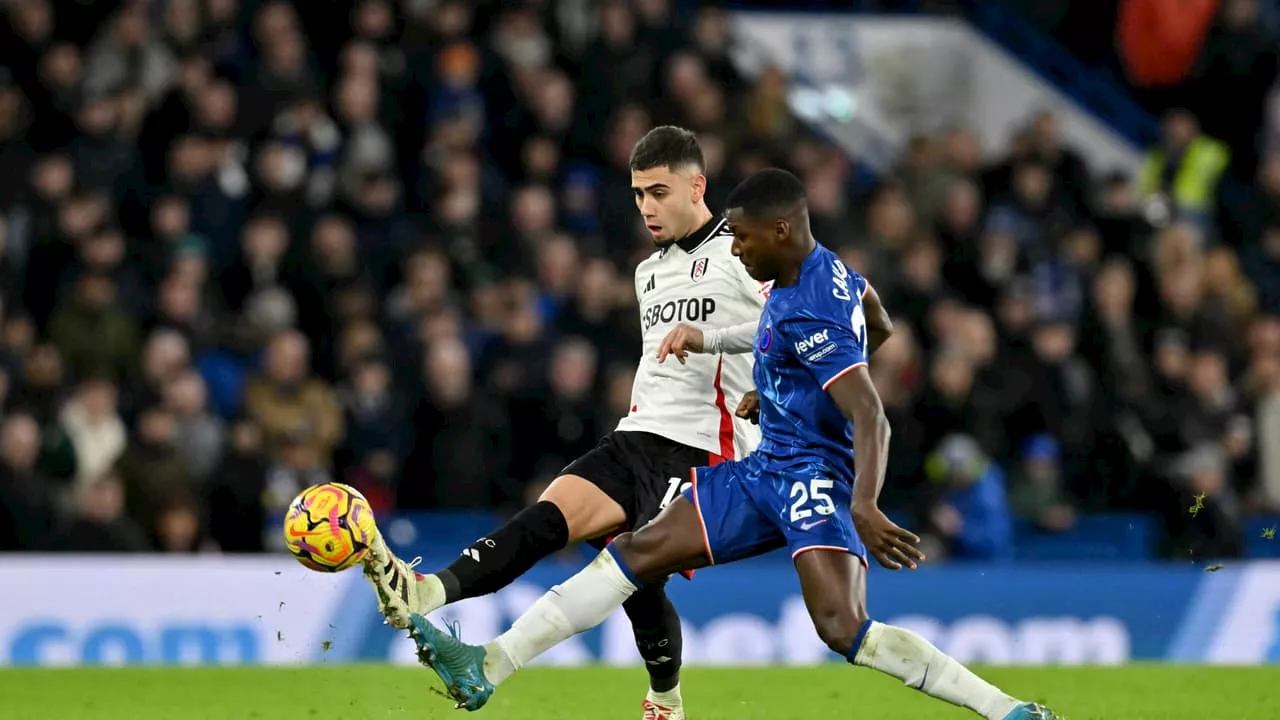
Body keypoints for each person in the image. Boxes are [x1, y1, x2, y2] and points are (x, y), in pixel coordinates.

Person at [402, 168, 1061, 720]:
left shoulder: (810, 306)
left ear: (780, 232)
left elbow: (871, 413)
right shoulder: (827, 268)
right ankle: (489, 662)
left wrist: (864, 503)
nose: (736, 250)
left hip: (812, 479)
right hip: (763, 465)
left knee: (842, 630)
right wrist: (782, 384)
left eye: (743, 239)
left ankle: (1007, 711)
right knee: (635, 552)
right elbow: (878, 319)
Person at [362, 126, 770, 720]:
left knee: (628, 565)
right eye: (637, 195)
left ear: (696, 185)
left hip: (706, 450)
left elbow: (799, 323)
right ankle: (428, 592)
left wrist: (769, 384)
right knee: (549, 520)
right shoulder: (647, 273)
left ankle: (502, 666)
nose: (646, 208)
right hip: (636, 436)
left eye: (658, 192)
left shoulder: (743, 249)